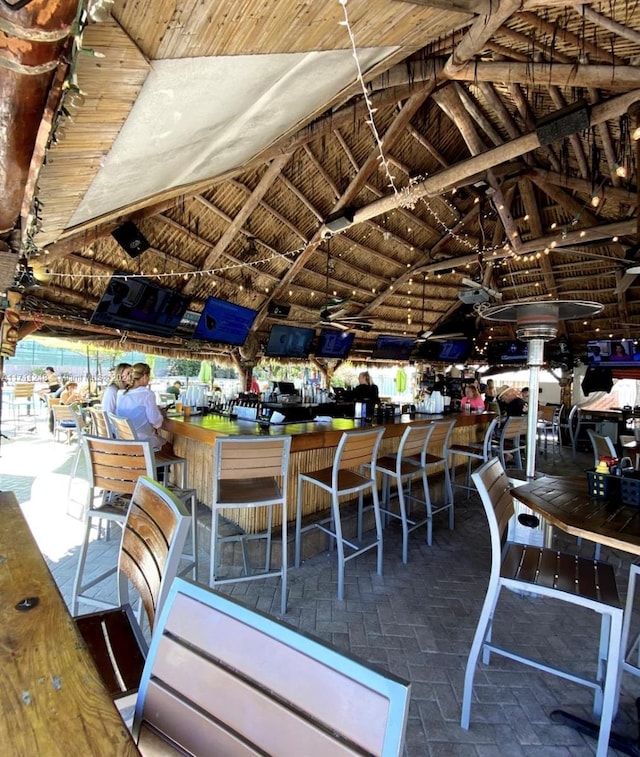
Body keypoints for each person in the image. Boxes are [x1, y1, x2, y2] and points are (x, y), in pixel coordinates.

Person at [115, 362, 167, 452]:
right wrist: (161, 414)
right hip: (142, 444)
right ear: (144, 376)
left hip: (124, 442)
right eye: (149, 376)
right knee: (168, 448)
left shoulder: (120, 393)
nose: (149, 379)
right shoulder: (147, 394)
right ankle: (154, 466)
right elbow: (155, 422)